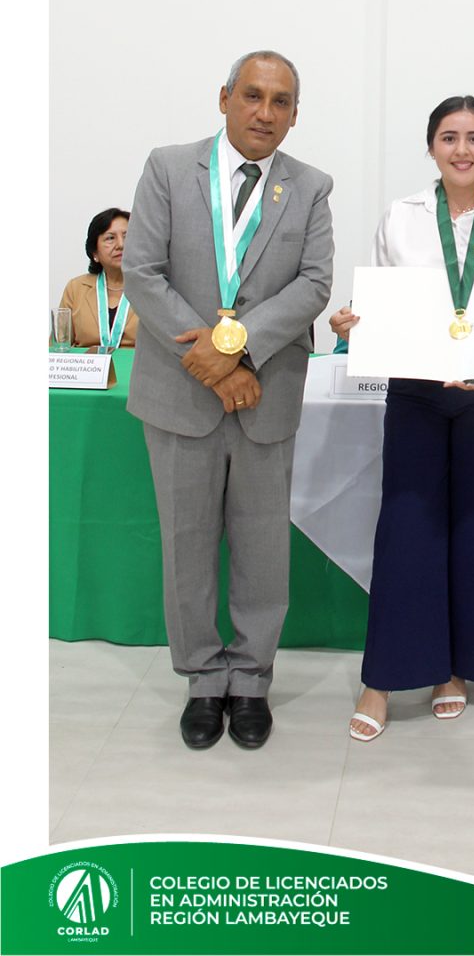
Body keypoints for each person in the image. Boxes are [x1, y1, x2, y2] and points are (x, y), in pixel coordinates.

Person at [122, 51, 333, 751]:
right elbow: (143, 272)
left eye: (281, 102)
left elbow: (314, 283)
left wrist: (238, 355)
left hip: (264, 392)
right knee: (185, 544)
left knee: (262, 546)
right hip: (180, 393)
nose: (264, 113)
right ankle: (202, 680)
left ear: (294, 115)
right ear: (224, 98)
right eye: (252, 95)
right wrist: (215, 366)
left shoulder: (310, 187)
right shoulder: (168, 168)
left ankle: (250, 680)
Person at [330, 95, 474, 741]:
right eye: (449, 137)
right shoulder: (401, 217)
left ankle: (456, 670)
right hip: (418, 394)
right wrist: (353, 322)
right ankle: (382, 679)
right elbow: (381, 304)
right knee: (407, 529)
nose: (462, 149)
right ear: (431, 148)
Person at [58, 208, 139, 349]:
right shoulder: (75, 288)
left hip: (137, 363)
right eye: (110, 238)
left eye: (127, 236)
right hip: (86, 362)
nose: (121, 245)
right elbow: (59, 346)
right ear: (95, 252)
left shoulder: (154, 286)